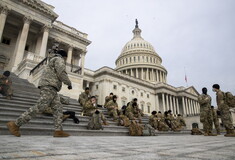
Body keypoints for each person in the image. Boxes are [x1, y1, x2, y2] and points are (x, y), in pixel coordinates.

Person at [7, 50, 72, 137]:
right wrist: (69, 83)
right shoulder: (59, 59)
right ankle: (16, 124)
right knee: (40, 106)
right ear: (64, 57)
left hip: (52, 87)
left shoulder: (53, 59)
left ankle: (58, 131)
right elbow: (61, 72)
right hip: (49, 85)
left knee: (58, 108)